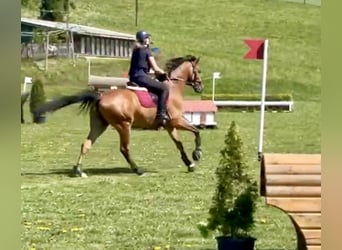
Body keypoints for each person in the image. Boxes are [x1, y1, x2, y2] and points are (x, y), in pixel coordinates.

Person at [128, 30, 170, 126]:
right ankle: (161, 114)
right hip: (141, 78)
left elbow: (143, 68)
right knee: (164, 89)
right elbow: (156, 69)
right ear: (144, 40)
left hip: (133, 77)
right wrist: (165, 73)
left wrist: (152, 73)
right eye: (147, 37)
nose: (149, 39)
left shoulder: (136, 50)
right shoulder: (147, 51)